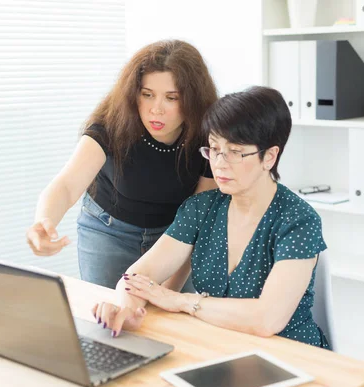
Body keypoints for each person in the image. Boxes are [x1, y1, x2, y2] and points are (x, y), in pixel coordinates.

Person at [91, 86, 330, 349]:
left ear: (269, 156)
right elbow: (138, 276)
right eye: (214, 149)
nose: (220, 163)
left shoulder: (298, 221)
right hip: (219, 347)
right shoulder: (201, 209)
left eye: (236, 152)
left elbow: (267, 319)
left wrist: (182, 301)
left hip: (292, 355)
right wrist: (127, 311)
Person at [26, 40, 218, 290]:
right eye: (147, 95)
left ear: (193, 99)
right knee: (107, 318)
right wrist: (43, 222)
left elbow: (198, 220)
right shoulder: (112, 125)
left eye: (171, 98)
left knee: (171, 320)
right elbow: (66, 185)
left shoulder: (210, 137)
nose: (155, 109)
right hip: (108, 232)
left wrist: (167, 293)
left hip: (176, 236)